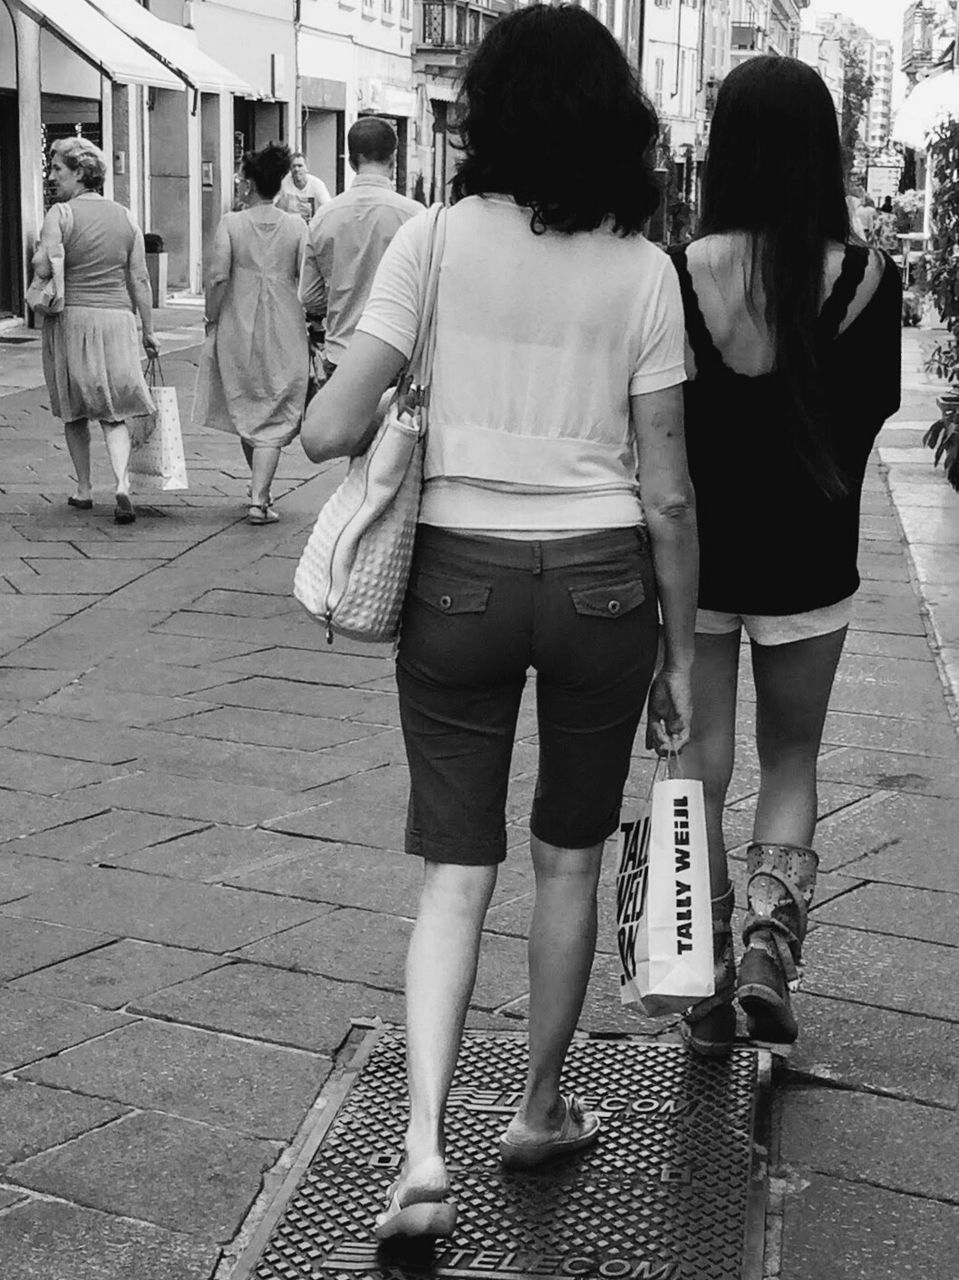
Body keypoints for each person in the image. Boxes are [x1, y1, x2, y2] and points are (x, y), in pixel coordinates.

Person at [301, 3, 698, 1242]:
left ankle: (420, 1151)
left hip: (458, 579)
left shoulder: (432, 242)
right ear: (617, 123)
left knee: (451, 873)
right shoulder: (643, 270)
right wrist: (681, 654)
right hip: (601, 582)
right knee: (567, 857)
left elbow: (325, 428)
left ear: (487, 110)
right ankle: (535, 1105)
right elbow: (668, 487)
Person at [667, 56, 901, 1058]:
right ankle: (769, 944)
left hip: (702, 559)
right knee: (792, 754)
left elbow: (660, 418)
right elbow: (874, 409)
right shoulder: (864, 275)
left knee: (698, 765)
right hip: (811, 551)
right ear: (822, 148)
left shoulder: (679, 269)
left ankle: (703, 977)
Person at [34, 138, 158, 524]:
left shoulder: (60, 213)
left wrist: (41, 253)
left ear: (80, 172)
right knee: (114, 408)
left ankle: (84, 488)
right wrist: (148, 330)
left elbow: (43, 268)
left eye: (58, 169)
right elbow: (139, 277)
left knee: (74, 409)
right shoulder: (126, 216)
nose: (52, 176)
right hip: (118, 320)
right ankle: (122, 483)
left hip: (73, 319)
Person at [195, 142, 309, 524]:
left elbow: (217, 275)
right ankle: (260, 494)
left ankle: (259, 495)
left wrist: (211, 316)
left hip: (237, 320)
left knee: (245, 399)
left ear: (248, 182)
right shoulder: (297, 226)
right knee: (275, 404)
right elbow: (306, 281)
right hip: (285, 322)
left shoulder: (231, 223)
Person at [299, 117, 421, 378]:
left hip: (342, 356)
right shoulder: (415, 217)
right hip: (398, 359)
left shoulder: (323, 217)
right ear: (393, 159)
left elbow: (309, 296)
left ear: (352, 162)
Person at [275, 152, 331, 221]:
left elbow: (328, 208)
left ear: (307, 168)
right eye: (294, 166)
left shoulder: (317, 185)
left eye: (300, 166)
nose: (296, 169)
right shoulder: (284, 183)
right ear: (290, 169)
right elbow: (276, 207)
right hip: (290, 225)